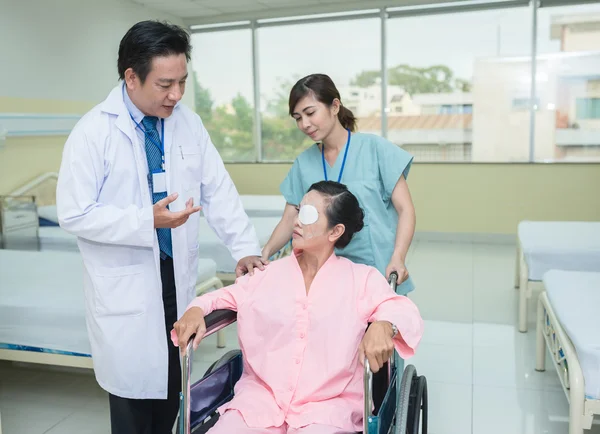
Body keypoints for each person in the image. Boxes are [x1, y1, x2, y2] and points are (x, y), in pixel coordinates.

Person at [55, 20, 267, 434]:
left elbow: (218, 189)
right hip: (127, 287)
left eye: (183, 82)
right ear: (131, 77)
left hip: (177, 279)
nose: (176, 94)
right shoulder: (93, 132)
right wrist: (144, 220)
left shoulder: (188, 123)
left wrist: (244, 247)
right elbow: (74, 213)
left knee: (174, 389)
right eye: (165, 84)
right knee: (134, 404)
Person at [172, 181, 424, 434]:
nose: (296, 222)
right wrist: (196, 309)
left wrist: (383, 325)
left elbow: (403, 311)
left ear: (335, 231)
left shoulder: (361, 279)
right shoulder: (265, 275)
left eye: (308, 214)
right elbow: (217, 298)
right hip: (259, 404)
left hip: (328, 410)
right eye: (298, 211)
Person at [262, 73, 416, 296]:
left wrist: (398, 258)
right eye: (297, 117)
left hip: (378, 270)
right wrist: (265, 253)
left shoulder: (375, 149)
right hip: (325, 276)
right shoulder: (304, 163)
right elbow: (289, 218)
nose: (304, 124)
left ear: (335, 106)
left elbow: (406, 210)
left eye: (310, 113)